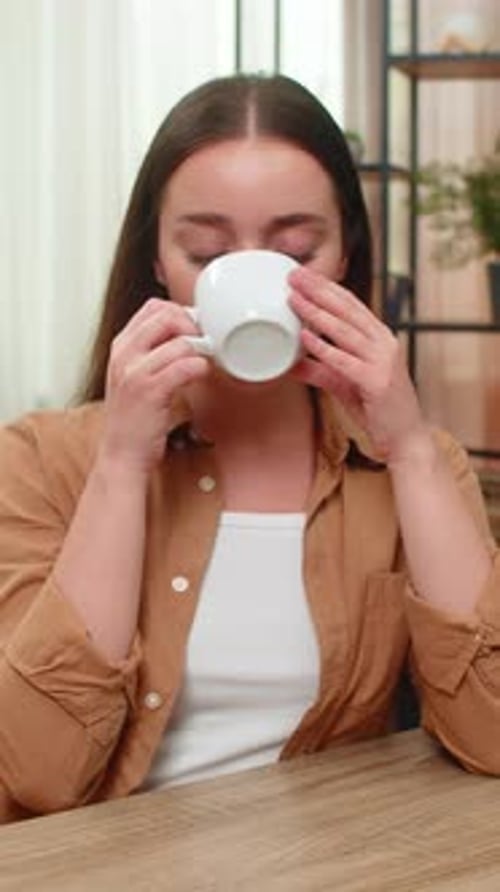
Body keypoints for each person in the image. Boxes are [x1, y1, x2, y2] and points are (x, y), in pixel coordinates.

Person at [0, 73, 499, 825]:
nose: (257, 280)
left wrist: (412, 449)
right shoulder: (41, 461)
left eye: (297, 249)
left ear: (343, 258)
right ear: (157, 263)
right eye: (205, 251)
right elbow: (40, 774)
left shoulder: (408, 468)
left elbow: (492, 738)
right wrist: (123, 465)